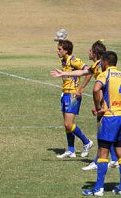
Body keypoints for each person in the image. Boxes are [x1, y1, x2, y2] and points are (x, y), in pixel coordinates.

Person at [51, 40, 119, 169]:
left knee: (103, 132)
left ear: (95, 53)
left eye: (90, 50)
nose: (88, 52)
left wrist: (98, 106)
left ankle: (97, 160)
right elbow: (83, 72)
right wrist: (64, 73)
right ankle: (113, 159)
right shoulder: (97, 65)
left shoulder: (101, 67)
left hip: (108, 103)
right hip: (107, 102)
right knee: (106, 131)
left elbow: (99, 88)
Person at [82, 51, 121, 196]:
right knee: (120, 152)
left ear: (105, 62)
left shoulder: (105, 75)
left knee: (103, 152)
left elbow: (95, 89)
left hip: (110, 118)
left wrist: (99, 108)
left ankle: (98, 188)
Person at [54, 40, 93, 159]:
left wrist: (81, 88)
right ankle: (71, 150)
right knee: (66, 125)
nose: (57, 51)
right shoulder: (64, 61)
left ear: (66, 50)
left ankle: (87, 142)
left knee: (68, 123)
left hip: (72, 95)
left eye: (60, 49)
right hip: (65, 94)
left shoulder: (73, 60)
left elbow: (89, 72)